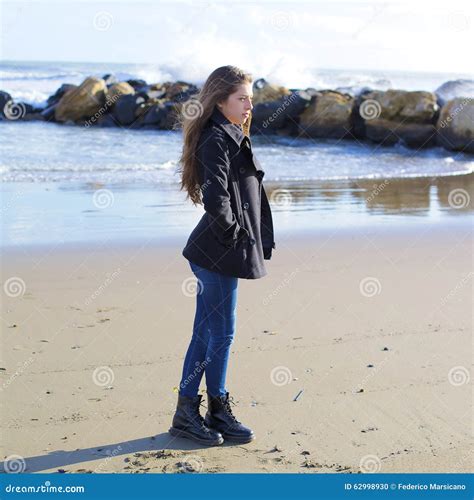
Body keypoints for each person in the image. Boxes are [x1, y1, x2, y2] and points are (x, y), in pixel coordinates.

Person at [170, 65, 276, 446]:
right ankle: (205, 409)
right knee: (221, 332)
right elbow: (216, 196)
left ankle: (199, 412)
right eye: (242, 98)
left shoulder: (232, 133)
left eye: (250, 98)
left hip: (219, 248)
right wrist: (235, 237)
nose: (249, 105)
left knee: (207, 331)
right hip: (217, 251)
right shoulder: (217, 138)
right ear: (220, 101)